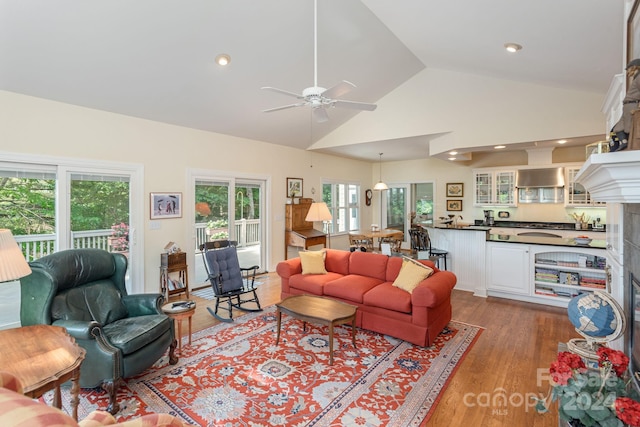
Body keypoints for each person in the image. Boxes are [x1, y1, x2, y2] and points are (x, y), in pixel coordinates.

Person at [611, 58, 640, 151]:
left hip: (632, 105)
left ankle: (627, 144)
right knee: (618, 128)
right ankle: (624, 143)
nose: (627, 72)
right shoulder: (636, 78)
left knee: (628, 128)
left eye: (628, 69)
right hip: (627, 106)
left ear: (634, 67)